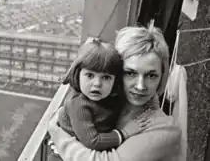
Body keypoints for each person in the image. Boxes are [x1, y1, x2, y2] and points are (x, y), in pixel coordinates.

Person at [48, 24, 183, 161]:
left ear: (161, 78)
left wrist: (59, 136)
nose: (140, 86)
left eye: (151, 76)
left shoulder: (165, 130)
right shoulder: (110, 101)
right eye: (130, 73)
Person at [48, 37, 151, 161]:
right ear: (78, 74)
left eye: (106, 77)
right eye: (90, 75)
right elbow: (93, 141)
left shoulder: (111, 96)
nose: (97, 83)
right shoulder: (78, 103)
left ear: (115, 80)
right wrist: (125, 133)